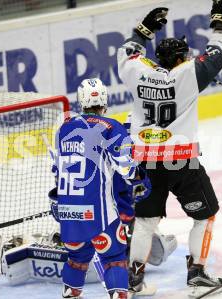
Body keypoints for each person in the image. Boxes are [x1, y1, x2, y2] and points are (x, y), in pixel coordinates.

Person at [117, 0, 222, 296]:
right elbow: (218, 53)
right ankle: (197, 275)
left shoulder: (138, 72)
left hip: (145, 161)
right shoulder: (189, 74)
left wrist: (143, 30)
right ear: (182, 57)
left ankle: (133, 280)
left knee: (145, 221)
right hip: (182, 162)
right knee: (204, 216)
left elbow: (127, 52)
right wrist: (221, 24)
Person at [49, 78, 151, 299]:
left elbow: (57, 170)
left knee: (77, 259)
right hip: (98, 215)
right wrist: (141, 179)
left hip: (69, 213)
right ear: (105, 99)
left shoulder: (63, 129)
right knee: (114, 258)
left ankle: (71, 294)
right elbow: (127, 168)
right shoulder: (110, 127)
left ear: (81, 101)